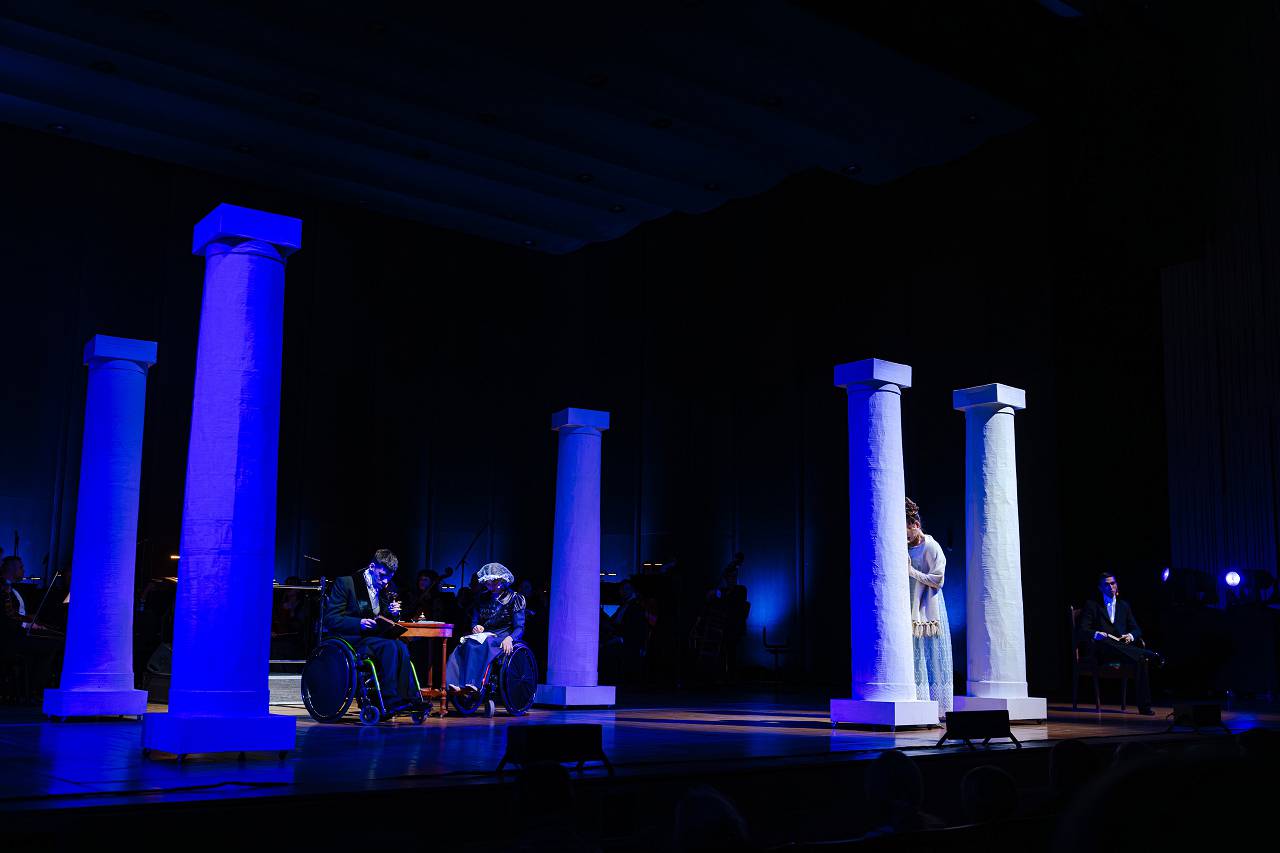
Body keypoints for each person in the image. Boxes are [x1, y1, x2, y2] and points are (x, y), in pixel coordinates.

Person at [321, 549, 421, 716]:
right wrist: (359, 623)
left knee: (401, 646)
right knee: (390, 647)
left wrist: (391, 613)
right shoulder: (347, 583)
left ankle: (409, 697)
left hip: (373, 639)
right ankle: (389, 698)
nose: (385, 580)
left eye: (389, 577)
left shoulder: (384, 588)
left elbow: (379, 617)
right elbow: (331, 618)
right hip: (351, 639)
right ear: (372, 567)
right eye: (382, 575)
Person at [1078, 572, 1161, 715]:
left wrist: (1130, 636)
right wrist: (1096, 634)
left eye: (1113, 583)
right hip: (1102, 652)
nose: (1111, 587)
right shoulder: (1092, 605)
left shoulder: (1124, 606)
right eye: (1107, 584)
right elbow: (1082, 630)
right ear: (1100, 588)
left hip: (1122, 652)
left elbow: (1137, 629)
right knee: (1107, 641)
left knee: (1140, 660)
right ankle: (1151, 654)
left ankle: (1145, 707)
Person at [446, 562, 525, 695]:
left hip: (502, 636)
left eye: (494, 582)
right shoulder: (481, 598)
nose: (491, 586)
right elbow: (474, 621)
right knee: (464, 644)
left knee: (484, 644)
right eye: (488, 583)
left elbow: (519, 627)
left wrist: (510, 638)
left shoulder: (515, 598)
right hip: (484, 635)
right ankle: (456, 683)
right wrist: (476, 627)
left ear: (503, 580)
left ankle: (473, 683)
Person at [907, 498, 952, 716]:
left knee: (931, 652)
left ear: (916, 525)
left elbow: (938, 579)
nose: (905, 537)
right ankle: (918, 702)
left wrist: (912, 572)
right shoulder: (905, 547)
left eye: (907, 531)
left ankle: (938, 707)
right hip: (911, 604)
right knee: (915, 653)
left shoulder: (931, 546)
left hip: (929, 605)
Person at [1, 555, 62, 695]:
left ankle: (35, 686)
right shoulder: (4, 589)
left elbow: (17, 613)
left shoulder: (13, 589)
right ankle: (35, 689)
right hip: (11, 637)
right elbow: (7, 617)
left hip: (19, 631)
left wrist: (31, 621)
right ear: (12, 569)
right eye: (21, 567)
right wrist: (28, 623)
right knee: (51, 645)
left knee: (55, 639)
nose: (24, 570)